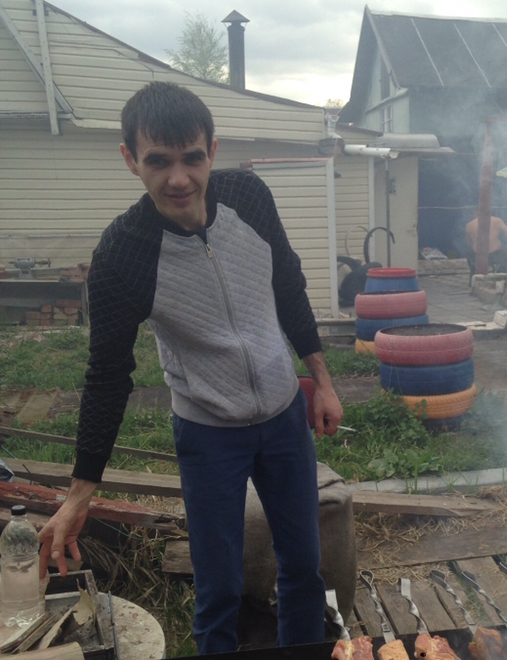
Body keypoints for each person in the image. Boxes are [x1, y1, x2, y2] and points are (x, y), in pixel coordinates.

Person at [38, 81, 344, 654]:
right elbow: (107, 375)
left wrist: (322, 382)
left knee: (303, 567)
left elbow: (288, 284)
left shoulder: (249, 197)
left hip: (284, 417)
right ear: (130, 159)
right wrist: (80, 493)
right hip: (208, 434)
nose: (178, 178)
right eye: (158, 161)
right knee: (219, 588)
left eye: (192, 158)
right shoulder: (123, 256)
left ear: (212, 151)